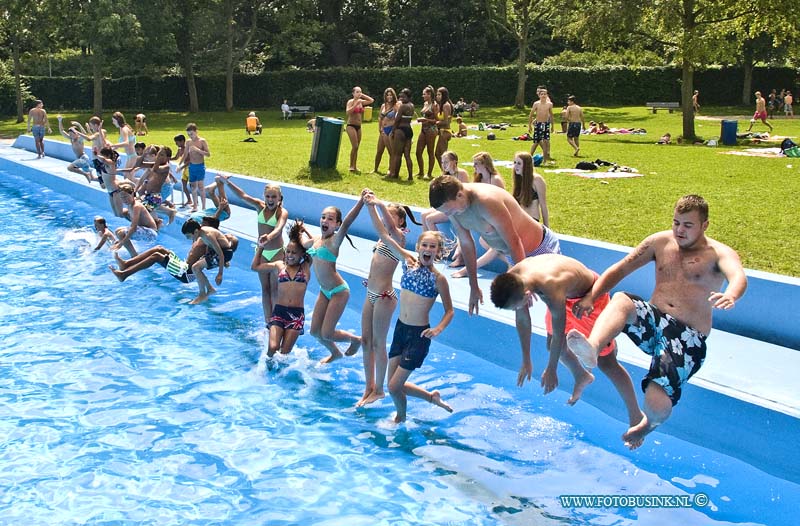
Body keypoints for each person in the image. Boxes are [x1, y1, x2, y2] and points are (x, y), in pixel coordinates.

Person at [566, 195, 747, 449]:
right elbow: (620, 269)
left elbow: (738, 276)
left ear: (705, 225)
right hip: (654, 321)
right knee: (622, 301)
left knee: (658, 404)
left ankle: (647, 425)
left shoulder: (719, 254)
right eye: (676, 223)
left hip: (687, 337)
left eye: (687, 225)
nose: (679, 230)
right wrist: (590, 297)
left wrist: (731, 294)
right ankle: (593, 348)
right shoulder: (659, 242)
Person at [489, 254, 643, 432]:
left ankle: (636, 415)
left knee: (606, 363)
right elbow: (523, 319)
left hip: (589, 296)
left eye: (517, 306)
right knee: (554, 347)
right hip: (566, 292)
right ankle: (582, 376)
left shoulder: (551, 288)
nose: (518, 310)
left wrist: (552, 369)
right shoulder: (514, 277)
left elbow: (559, 334)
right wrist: (526, 359)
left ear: (527, 295)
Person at [429, 176, 561, 366]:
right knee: (519, 304)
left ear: (460, 194)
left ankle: (569, 343)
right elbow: (467, 244)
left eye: (450, 210)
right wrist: (473, 286)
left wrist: (522, 282)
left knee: (555, 300)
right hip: (512, 254)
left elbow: (514, 241)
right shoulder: (454, 207)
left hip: (540, 249)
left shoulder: (486, 201)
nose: (450, 215)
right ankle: (528, 360)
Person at [364, 192, 455, 423]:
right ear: (418, 246)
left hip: (418, 336)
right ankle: (431, 396)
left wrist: (438, 330)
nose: (427, 249)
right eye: (424, 244)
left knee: (394, 387)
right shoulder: (408, 262)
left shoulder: (438, 280)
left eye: (433, 246)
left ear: (438, 252)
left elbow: (449, 310)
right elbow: (384, 233)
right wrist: (373, 206)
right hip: (401, 330)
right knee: (393, 383)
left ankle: (400, 419)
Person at [358, 192, 413, 407]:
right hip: (371, 293)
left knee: (379, 344)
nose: (384, 216)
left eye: (389, 214)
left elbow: (386, 227)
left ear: (399, 221)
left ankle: (379, 390)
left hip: (383, 297)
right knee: (366, 342)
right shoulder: (383, 237)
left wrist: (377, 204)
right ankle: (368, 386)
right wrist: (370, 205)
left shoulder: (398, 237)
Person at [300, 200, 364, 363]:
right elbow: (300, 243)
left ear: (337, 224)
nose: (325, 221)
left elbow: (348, 221)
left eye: (330, 219)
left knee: (327, 333)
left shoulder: (334, 241)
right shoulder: (315, 240)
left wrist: (361, 202)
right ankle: (336, 353)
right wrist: (297, 231)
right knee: (315, 332)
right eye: (323, 217)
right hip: (324, 291)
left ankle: (355, 339)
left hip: (338, 292)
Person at [222, 175, 289, 324]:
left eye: (274, 197)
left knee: (274, 289)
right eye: (268, 196)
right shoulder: (260, 206)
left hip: (277, 253)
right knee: (265, 289)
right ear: (264, 197)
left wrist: (268, 237)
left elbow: (278, 229)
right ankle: (268, 322)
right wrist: (227, 182)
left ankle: (276, 320)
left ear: (279, 198)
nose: (270, 200)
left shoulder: (281, 212)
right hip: (262, 253)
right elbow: (243, 195)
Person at [251, 222, 311, 368]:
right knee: (272, 347)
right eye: (288, 252)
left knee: (284, 354)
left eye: (294, 252)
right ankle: (265, 369)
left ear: (302, 254)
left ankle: (278, 378)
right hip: (279, 312)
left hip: (296, 315)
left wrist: (304, 232)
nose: (290, 255)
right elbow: (255, 267)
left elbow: (314, 245)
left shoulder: (306, 266)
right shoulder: (279, 265)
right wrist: (260, 247)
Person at [449, 152, 507, 279]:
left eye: (476, 164)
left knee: (494, 247)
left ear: (485, 164)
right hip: (484, 219)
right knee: (480, 239)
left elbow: (506, 201)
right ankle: (510, 262)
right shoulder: (478, 180)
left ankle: (467, 270)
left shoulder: (495, 180)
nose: (474, 166)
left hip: (497, 220)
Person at [181, 219, 239, 304]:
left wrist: (220, 274)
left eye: (189, 236)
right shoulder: (202, 232)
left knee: (195, 267)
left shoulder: (208, 235)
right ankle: (209, 289)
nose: (189, 239)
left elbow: (221, 254)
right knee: (196, 268)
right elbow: (209, 246)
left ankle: (202, 295)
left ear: (196, 231)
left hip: (225, 253)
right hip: (216, 252)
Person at [113, 182, 160, 257]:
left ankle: (134, 255)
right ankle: (129, 250)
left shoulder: (136, 206)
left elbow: (134, 227)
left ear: (132, 194)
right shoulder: (130, 205)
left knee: (121, 233)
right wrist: (121, 241)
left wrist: (121, 243)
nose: (124, 199)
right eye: (122, 198)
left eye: (125, 196)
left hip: (151, 234)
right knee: (117, 231)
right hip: (145, 230)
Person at [176, 123, 211, 212]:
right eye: (188, 134)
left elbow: (208, 154)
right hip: (192, 167)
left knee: (201, 187)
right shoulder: (188, 142)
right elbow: (185, 155)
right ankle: (195, 206)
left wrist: (198, 150)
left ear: (196, 132)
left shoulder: (202, 141)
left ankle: (203, 207)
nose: (190, 136)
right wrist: (179, 165)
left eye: (192, 134)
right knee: (193, 187)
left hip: (200, 166)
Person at [511, 152, 549, 226]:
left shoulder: (537, 180)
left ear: (526, 165)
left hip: (532, 221)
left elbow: (543, 205)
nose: (515, 166)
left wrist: (546, 227)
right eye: (515, 162)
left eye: (519, 163)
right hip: (519, 220)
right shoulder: (518, 179)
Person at [345, 86, 375, 173]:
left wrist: (362, 95)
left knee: (357, 147)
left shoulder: (361, 101)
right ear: (353, 93)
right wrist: (355, 104)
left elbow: (371, 100)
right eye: (357, 92)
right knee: (355, 146)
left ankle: (355, 166)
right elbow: (347, 112)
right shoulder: (350, 101)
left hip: (359, 126)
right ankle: (351, 166)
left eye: (360, 92)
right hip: (351, 125)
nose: (359, 93)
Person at [388, 88, 415, 181]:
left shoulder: (403, 106)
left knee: (397, 154)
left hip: (400, 130)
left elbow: (397, 120)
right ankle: (410, 176)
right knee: (407, 154)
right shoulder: (412, 106)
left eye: (403, 96)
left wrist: (393, 131)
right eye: (400, 96)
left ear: (408, 97)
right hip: (409, 130)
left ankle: (395, 174)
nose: (401, 98)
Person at [57, 115, 92, 182]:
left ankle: (85, 174)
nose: (70, 135)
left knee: (70, 168)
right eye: (69, 134)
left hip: (84, 158)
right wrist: (60, 121)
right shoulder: (71, 139)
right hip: (79, 159)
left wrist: (79, 125)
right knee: (92, 178)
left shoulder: (79, 139)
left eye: (72, 134)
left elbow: (84, 134)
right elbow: (62, 131)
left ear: (77, 134)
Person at [372, 88, 398, 177]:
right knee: (379, 150)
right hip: (383, 130)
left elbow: (397, 119)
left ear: (393, 96)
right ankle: (375, 169)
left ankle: (390, 170)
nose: (389, 97)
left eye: (391, 95)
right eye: (387, 95)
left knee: (391, 152)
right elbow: (380, 117)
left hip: (390, 130)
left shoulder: (396, 106)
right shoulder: (383, 105)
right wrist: (380, 128)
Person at [414, 85, 438, 180]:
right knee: (418, 152)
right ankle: (421, 171)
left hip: (431, 130)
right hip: (423, 130)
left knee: (430, 152)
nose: (422, 96)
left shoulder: (435, 105)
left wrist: (425, 119)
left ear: (429, 94)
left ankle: (429, 173)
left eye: (424, 94)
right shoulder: (425, 104)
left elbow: (436, 120)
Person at [528, 88, 554, 163]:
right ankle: (529, 157)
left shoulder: (549, 104)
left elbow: (551, 115)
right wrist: (529, 125)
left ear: (547, 95)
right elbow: (531, 115)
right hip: (538, 124)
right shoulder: (536, 104)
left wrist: (552, 126)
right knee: (536, 142)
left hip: (546, 124)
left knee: (546, 141)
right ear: (539, 95)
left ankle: (545, 160)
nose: (543, 95)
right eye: (542, 94)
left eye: (545, 94)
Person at [434, 87, 454, 171]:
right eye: (437, 95)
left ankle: (449, 172)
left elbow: (446, 122)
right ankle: (445, 171)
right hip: (442, 132)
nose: (437, 96)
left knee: (443, 155)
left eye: (439, 95)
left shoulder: (446, 105)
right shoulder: (441, 105)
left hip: (445, 132)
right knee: (437, 154)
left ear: (444, 95)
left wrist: (435, 123)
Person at [172, 135, 192, 208]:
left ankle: (195, 202)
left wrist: (181, 167)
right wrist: (167, 158)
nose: (176, 144)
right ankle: (189, 200)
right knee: (183, 185)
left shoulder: (188, 149)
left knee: (192, 186)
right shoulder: (179, 149)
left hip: (190, 168)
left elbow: (190, 160)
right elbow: (176, 157)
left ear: (182, 141)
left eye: (177, 142)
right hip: (185, 169)